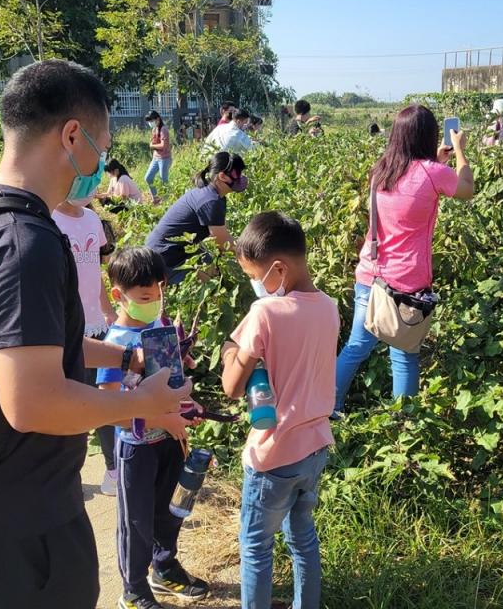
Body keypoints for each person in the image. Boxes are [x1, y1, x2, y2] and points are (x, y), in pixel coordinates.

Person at [0, 59, 191, 609]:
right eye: (103, 142)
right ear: (73, 135)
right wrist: (140, 405)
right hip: (22, 536)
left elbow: (27, 349)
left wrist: (125, 354)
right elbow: (33, 402)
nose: (99, 162)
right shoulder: (26, 242)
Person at [221, 212, 339, 609]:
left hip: (273, 456)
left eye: (255, 276)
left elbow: (232, 387)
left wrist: (230, 355)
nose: (256, 286)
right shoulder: (330, 307)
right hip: (315, 448)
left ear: (278, 268)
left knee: (256, 546)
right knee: (302, 537)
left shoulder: (265, 313)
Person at [334, 104, 475, 413]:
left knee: (356, 347)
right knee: (405, 352)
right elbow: (467, 189)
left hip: (371, 275)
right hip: (408, 283)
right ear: (429, 135)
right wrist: (461, 151)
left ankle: (327, 406)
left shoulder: (382, 169)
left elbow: (411, 185)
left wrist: (435, 161)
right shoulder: (434, 173)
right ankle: (404, 422)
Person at [95, 248, 210, 609]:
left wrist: (188, 406)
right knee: (136, 522)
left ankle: (164, 567)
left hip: (171, 439)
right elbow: (108, 408)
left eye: (159, 293)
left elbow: (171, 379)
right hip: (137, 446)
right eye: (145, 297)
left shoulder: (160, 326)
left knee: (169, 511)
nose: (154, 302)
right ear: (119, 296)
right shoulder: (113, 346)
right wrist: (160, 419)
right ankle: (133, 589)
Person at [51, 197, 119, 496]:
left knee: (103, 400)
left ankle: (113, 471)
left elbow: (95, 276)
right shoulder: (50, 219)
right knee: (68, 405)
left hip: (98, 325)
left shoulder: (92, 220)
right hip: (67, 329)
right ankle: (64, 474)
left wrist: (109, 312)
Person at [145, 152, 247, 284]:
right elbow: (224, 243)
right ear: (222, 176)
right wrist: (251, 260)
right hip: (164, 257)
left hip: (173, 249)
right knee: (209, 284)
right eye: (237, 174)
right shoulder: (211, 201)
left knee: (212, 268)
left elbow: (222, 233)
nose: (241, 178)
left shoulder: (213, 194)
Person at [144, 110, 172, 201]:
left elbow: (163, 145)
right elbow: (154, 143)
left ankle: (166, 201)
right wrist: (153, 145)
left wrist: (152, 146)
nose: (150, 123)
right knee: (148, 177)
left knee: (164, 180)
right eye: (149, 121)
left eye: (151, 121)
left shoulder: (163, 129)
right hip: (156, 158)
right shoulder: (154, 129)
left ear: (158, 119)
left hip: (164, 158)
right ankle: (155, 198)